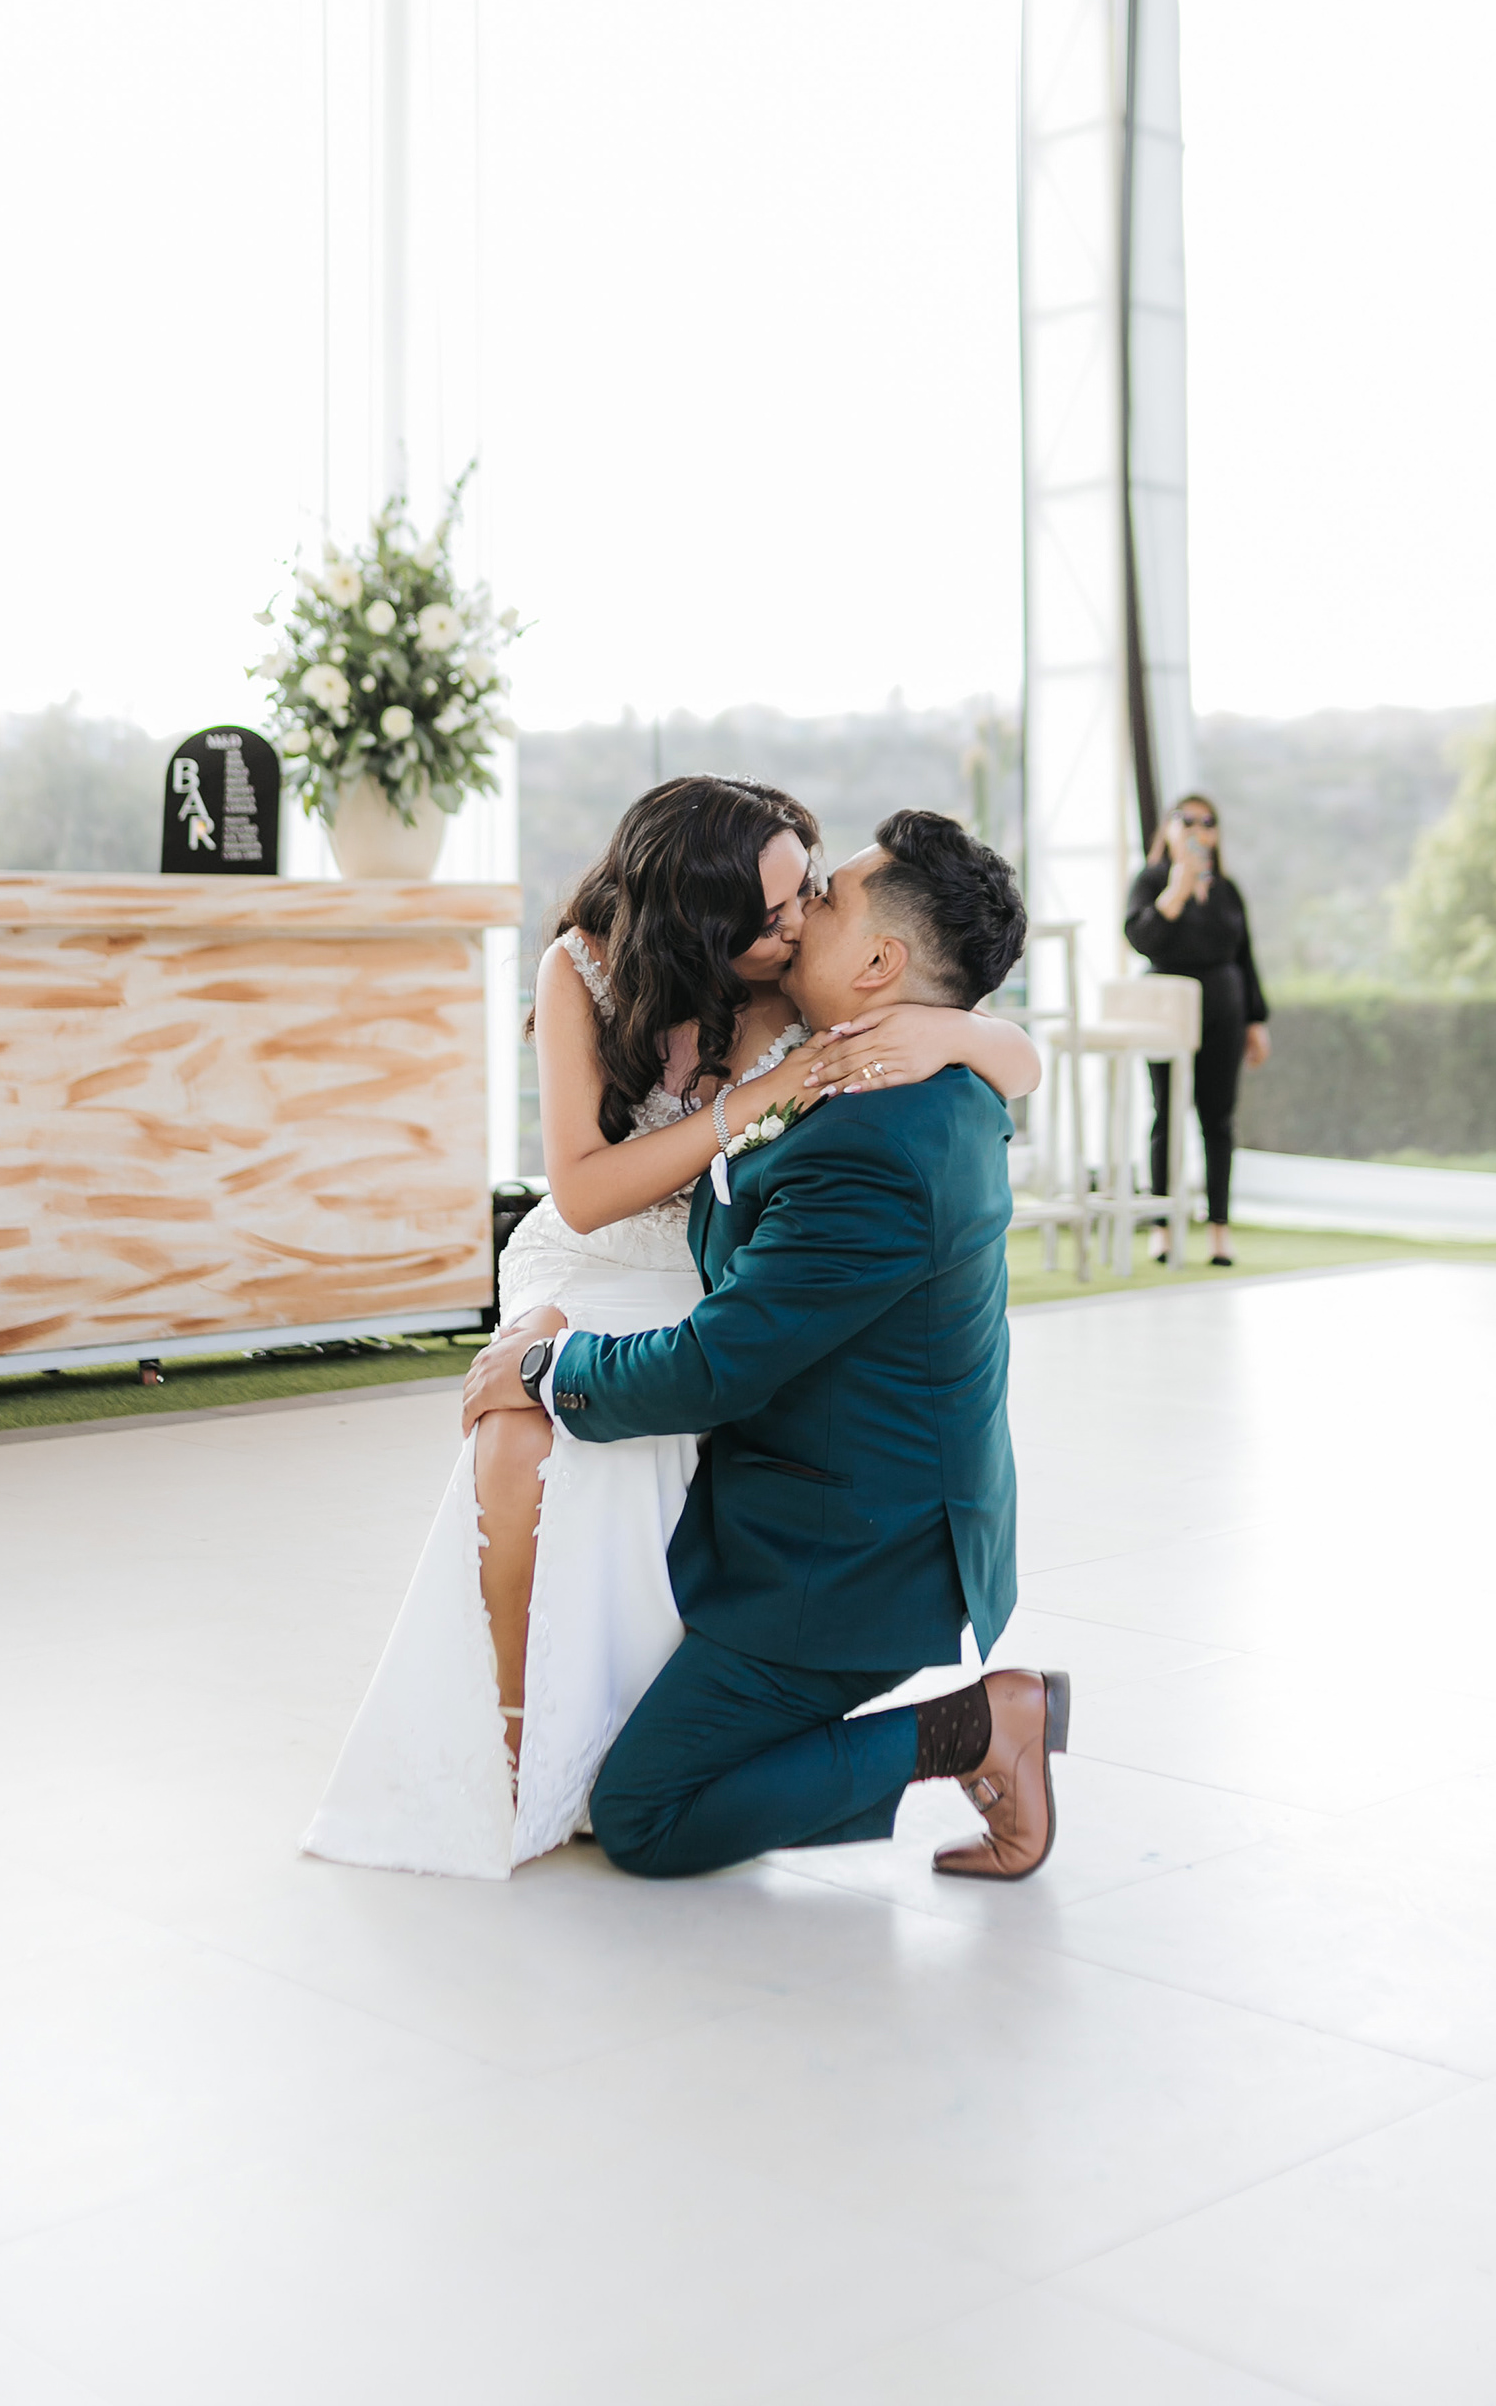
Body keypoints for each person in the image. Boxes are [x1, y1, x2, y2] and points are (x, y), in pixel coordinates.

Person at [302, 777, 1040, 1881]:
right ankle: (522, 1737)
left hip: (844, 1536)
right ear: (704, 914)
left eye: (818, 896)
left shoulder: (856, 1069)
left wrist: (950, 1027)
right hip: (632, 1270)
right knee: (513, 1449)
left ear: (878, 964)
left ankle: (974, 1729)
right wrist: (761, 1098)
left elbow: (714, 1365)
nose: (798, 919)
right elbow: (587, 1195)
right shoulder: (656, 971)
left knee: (648, 1813)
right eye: (782, 904)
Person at [1123, 792, 1270, 1266]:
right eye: (1185, 820)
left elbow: (1245, 956)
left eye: (1206, 822)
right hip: (1166, 1008)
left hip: (1223, 1006)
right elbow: (1140, 938)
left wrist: (1256, 1019)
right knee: (1166, 1114)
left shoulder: (1227, 889)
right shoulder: (1151, 880)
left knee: (1218, 1119)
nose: (1196, 830)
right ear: (1167, 828)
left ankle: (1219, 1229)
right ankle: (1163, 1227)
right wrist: (1176, 892)